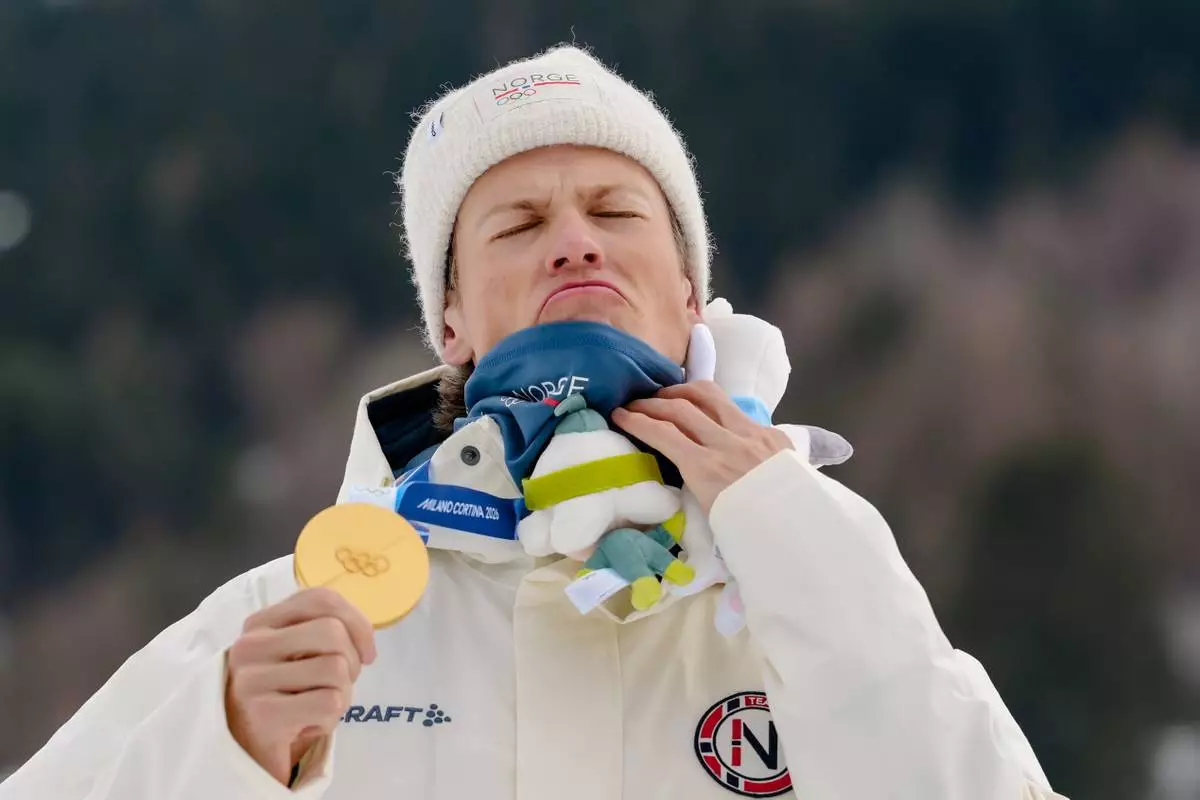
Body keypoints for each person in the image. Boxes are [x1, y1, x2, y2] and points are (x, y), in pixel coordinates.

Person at [0, 45, 1067, 800]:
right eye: (517, 223)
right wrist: (223, 752)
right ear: (451, 319)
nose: (574, 244)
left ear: (692, 291)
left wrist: (795, 535)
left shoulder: (820, 563)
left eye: (614, 211)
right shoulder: (299, 616)